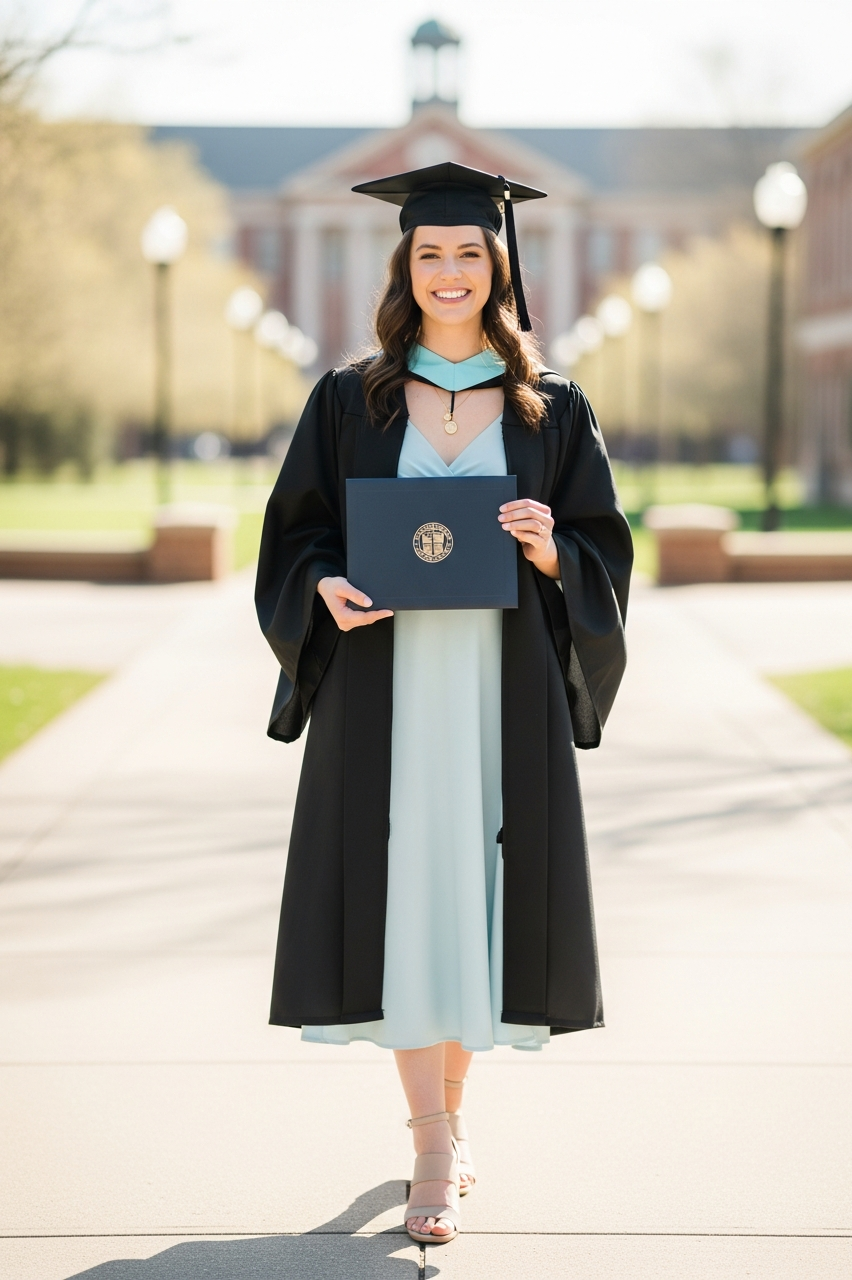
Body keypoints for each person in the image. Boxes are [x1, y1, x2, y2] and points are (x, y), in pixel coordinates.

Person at [255, 162, 633, 1246]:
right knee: (402, 897)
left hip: (496, 689)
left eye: (469, 252)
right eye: (430, 253)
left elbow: (601, 546)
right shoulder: (350, 398)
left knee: (476, 899)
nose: (450, 271)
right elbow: (297, 536)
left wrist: (549, 550)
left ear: (498, 266)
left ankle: (448, 1126)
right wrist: (320, 587)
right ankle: (430, 1141)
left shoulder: (551, 408)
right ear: (404, 266)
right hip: (385, 689)